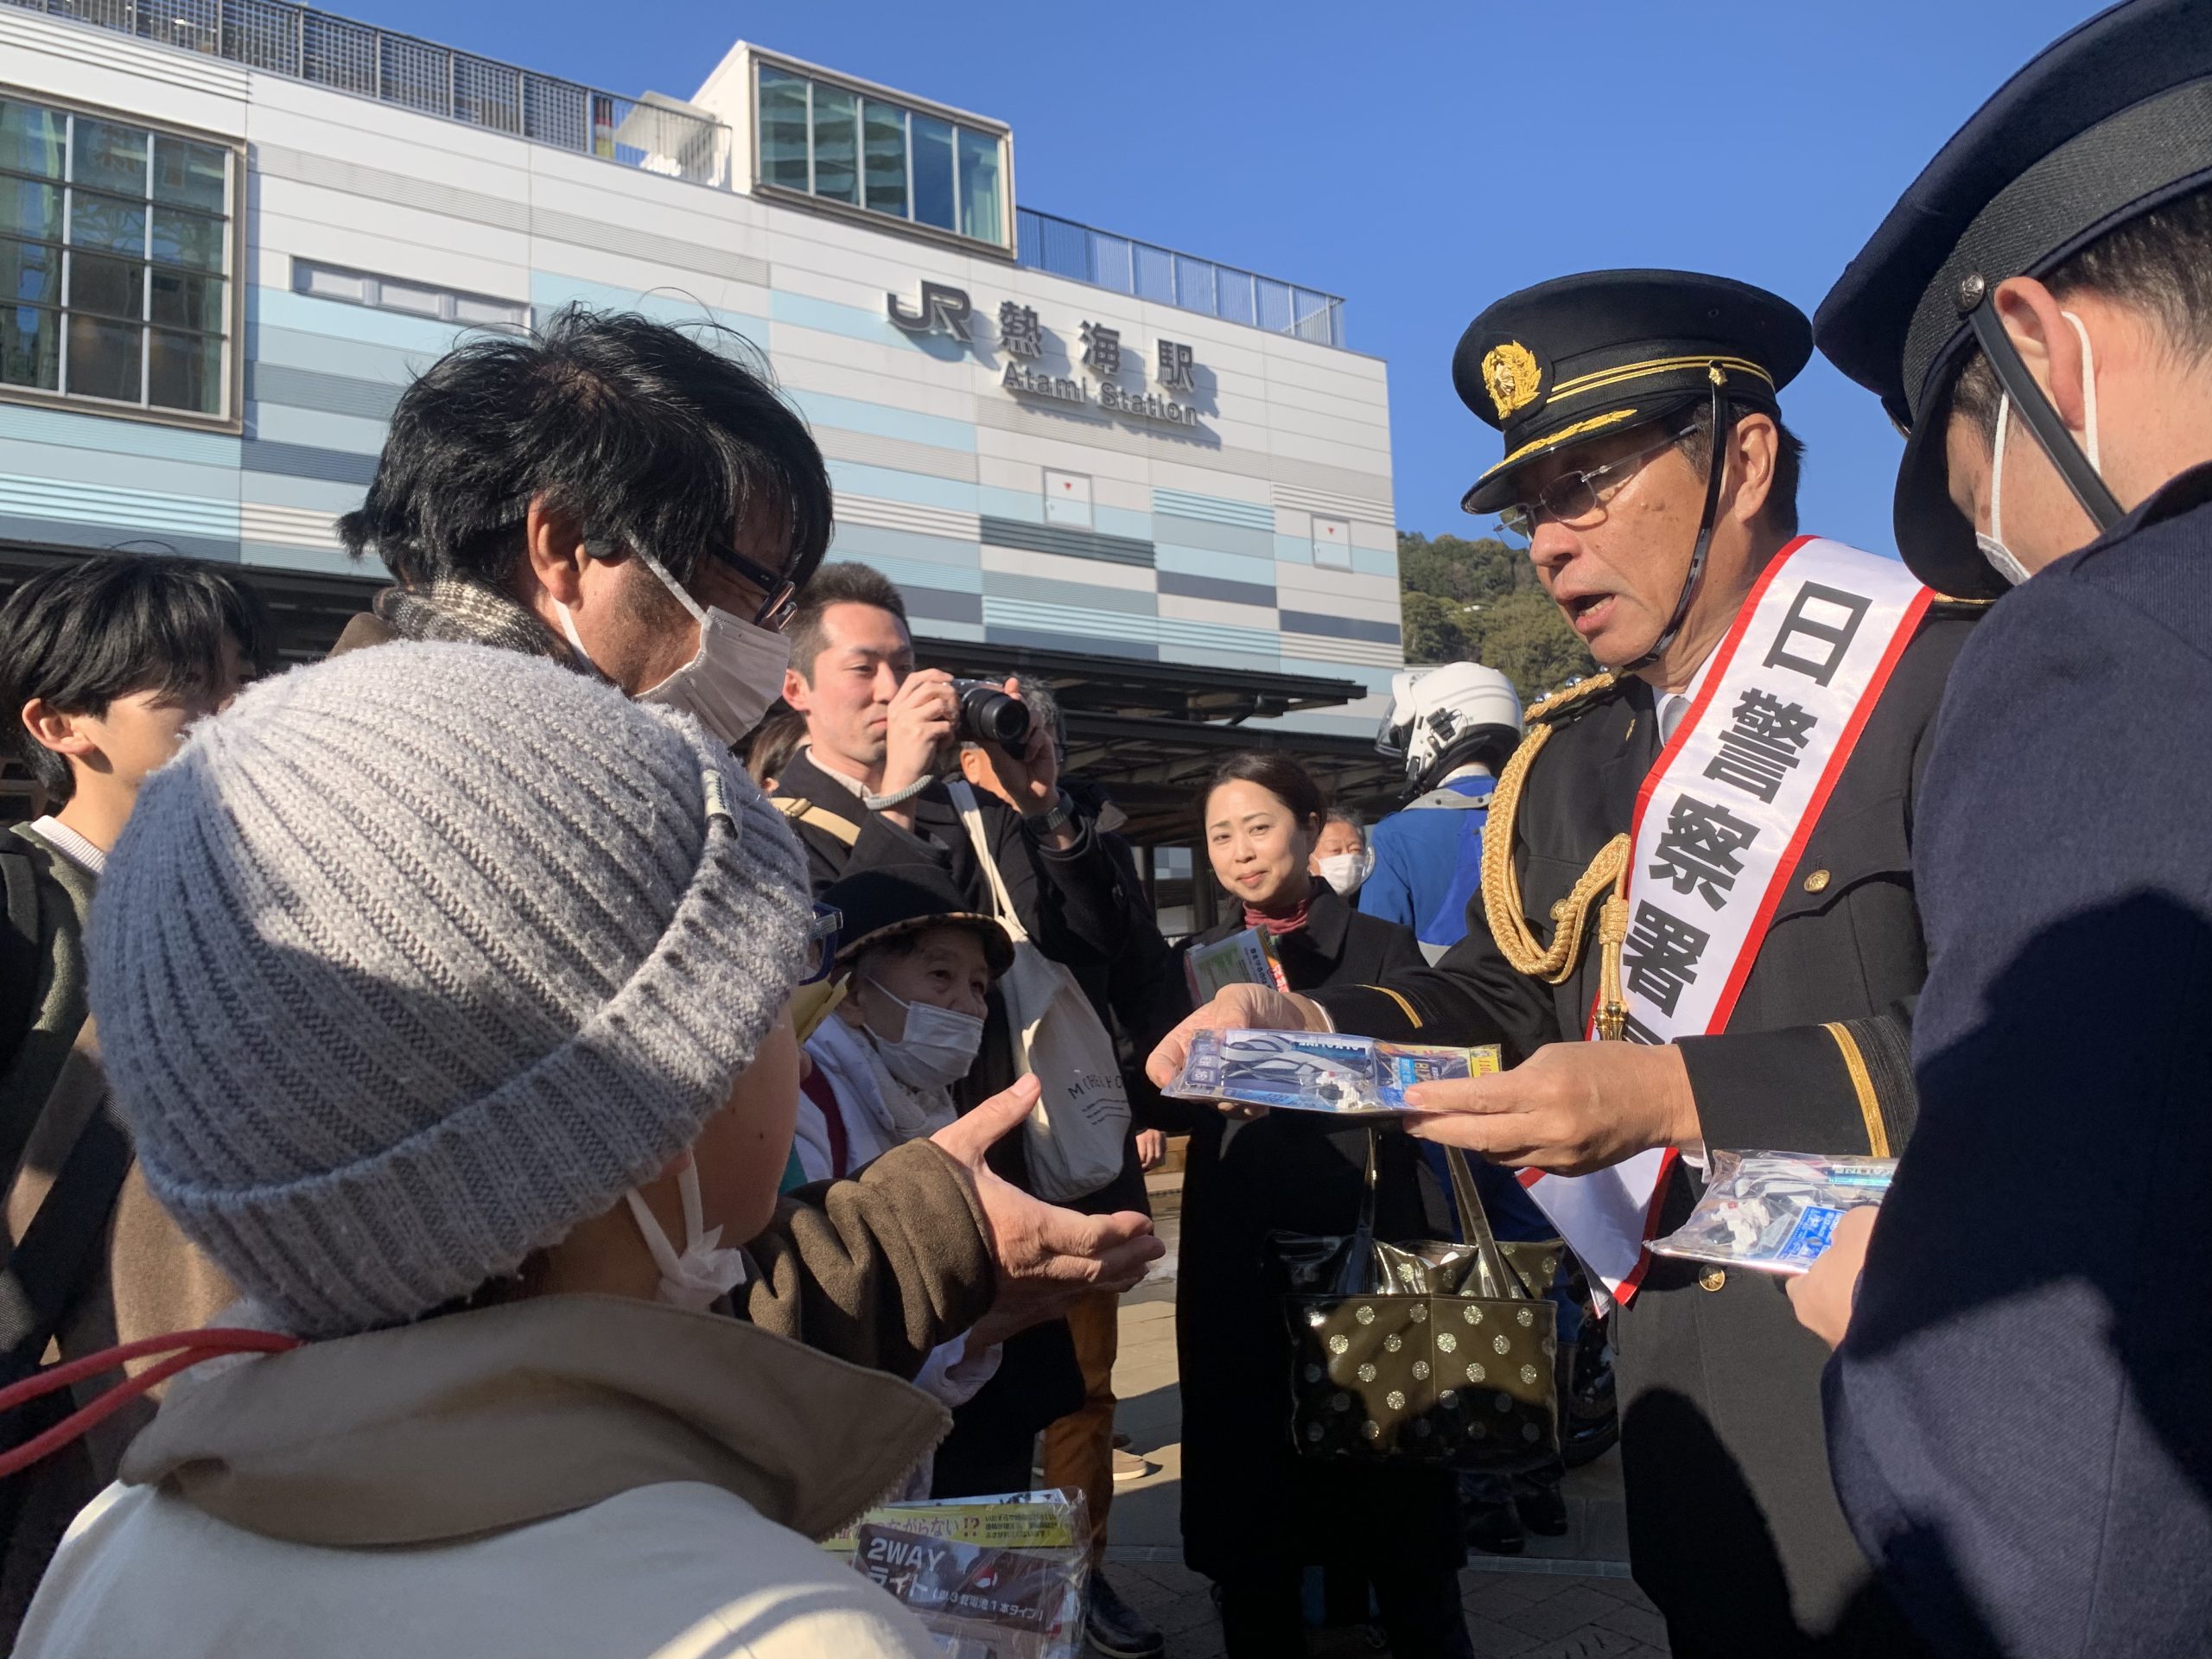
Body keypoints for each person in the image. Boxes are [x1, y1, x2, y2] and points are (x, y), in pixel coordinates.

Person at [1151, 272, 1986, 1657]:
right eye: (1531, 506)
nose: (1548, 544)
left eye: (1587, 485)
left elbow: (2019, 1040)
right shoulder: (1567, 759)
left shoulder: (1941, 678)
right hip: (1689, 1398)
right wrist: (1310, 1013)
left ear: (1746, 457)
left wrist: (1672, 1095)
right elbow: (1500, 994)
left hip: (1912, 1372)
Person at [12, 642, 954, 1657]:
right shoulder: (788, 1630)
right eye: (765, 989)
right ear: (638, 1117)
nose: (791, 1025)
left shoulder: (111, 1546)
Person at [326, 305, 1160, 1395]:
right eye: (757, 587)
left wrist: (1043, 814)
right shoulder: (489, 812)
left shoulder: (402, 754)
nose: (771, 631)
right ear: (568, 545)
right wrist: (916, 1242)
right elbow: (575, 1304)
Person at [1799, 3, 2212, 1651]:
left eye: (1971, 473)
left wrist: (1881, 1318)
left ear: (2040, 347)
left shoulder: (2112, 638)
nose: (1991, 544)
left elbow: (2061, 1507)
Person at [771, 564, 1134, 1502]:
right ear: (798, 688)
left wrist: (1044, 808)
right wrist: (889, 800)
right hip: (861, 1194)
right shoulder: (770, 823)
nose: (894, 690)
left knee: (997, 1458)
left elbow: (1100, 949)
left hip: (1005, 1173)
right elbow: (813, 967)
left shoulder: (974, 812)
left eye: (907, 664)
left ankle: (1040, 1614)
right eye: (865, 669)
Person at [0, 554, 270, 1629]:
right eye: (189, 698)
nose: (233, 716)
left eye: (245, 681)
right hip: (53, 1404)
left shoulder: (256, 907)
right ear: (63, 724)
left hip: (208, 1394)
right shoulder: (23, 903)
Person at [1147, 751, 1464, 1659]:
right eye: (1219, 835)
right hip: (1238, 1248)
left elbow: (1430, 1064)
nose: (1241, 851)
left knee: (1394, 1486)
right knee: (1253, 1495)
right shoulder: (1193, 963)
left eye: (1258, 826)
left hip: (1364, 1240)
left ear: (1305, 828)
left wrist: (1304, 1043)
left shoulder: (1379, 948)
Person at [955, 678, 1167, 1659]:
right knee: (967, 1389)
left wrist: (1050, 820)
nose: (1009, 743)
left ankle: (1083, 1575)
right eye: (995, 726)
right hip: (967, 1159)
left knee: (1084, 1391)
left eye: (1028, 729)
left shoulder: (1086, 834)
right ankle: (981, 1586)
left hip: (1078, 1163)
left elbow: (1119, 965)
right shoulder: (926, 824)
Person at [1359, 663, 1523, 963]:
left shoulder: (1396, 834)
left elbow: (1375, 955)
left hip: (1438, 1003)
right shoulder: (1540, 813)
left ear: (1439, 728)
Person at [1309, 810, 1371, 899]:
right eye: (1335, 850)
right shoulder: (1298, 907)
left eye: (1355, 849)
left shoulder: (1372, 904)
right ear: (1309, 857)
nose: (1347, 856)